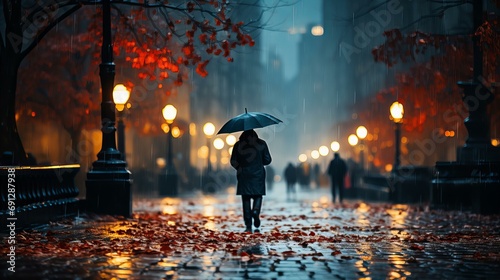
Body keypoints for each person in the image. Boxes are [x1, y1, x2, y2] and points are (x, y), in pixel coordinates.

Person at [230, 129, 272, 233]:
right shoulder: (261, 144)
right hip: (258, 175)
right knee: (258, 195)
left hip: (244, 175)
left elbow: (233, 161)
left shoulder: (238, 145)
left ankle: (248, 224)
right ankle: (256, 211)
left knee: (246, 198)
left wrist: (240, 168)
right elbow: (267, 160)